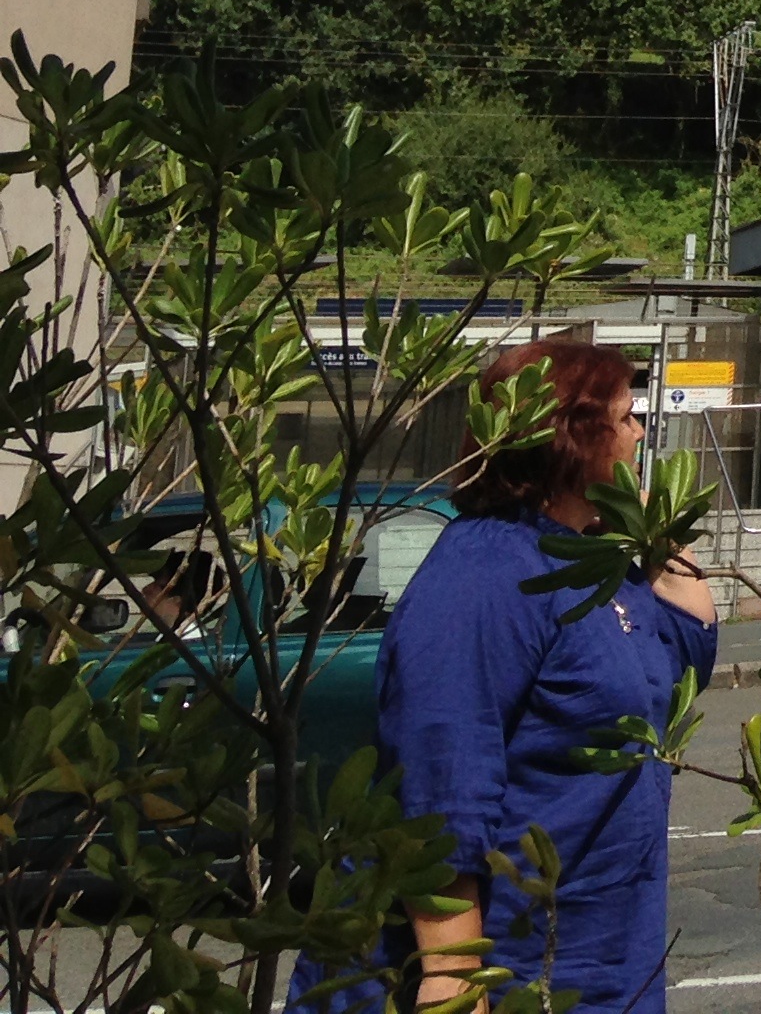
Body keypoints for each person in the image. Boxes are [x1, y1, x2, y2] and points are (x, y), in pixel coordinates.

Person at [293, 339, 717, 1013]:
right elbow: (440, 782)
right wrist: (454, 977)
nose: (640, 437)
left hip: (600, 955)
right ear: (573, 437)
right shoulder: (485, 573)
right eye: (628, 418)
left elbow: (680, 658)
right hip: (509, 966)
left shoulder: (592, 559)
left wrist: (655, 525)